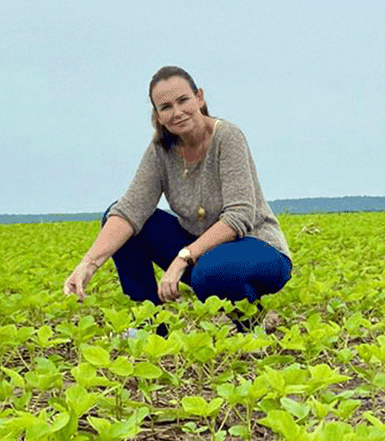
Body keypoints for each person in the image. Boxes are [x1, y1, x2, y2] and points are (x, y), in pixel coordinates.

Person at [62, 66, 292, 328]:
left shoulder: (227, 137)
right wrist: (88, 265)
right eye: (166, 107)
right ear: (158, 115)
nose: (177, 112)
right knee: (120, 219)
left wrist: (183, 258)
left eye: (183, 100)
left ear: (200, 98)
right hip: (203, 252)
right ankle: (150, 326)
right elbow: (130, 209)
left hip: (257, 248)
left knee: (211, 272)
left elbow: (239, 216)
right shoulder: (161, 150)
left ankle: (251, 321)